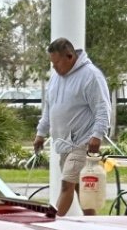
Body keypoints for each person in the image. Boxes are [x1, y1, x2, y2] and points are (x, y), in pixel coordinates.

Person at [32, 38, 111, 216]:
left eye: (57, 62)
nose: (54, 67)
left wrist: (97, 135)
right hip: (64, 144)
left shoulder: (91, 75)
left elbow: (102, 108)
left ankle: (53, 224)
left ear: (69, 56)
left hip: (83, 142)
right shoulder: (56, 78)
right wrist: (40, 133)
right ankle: (93, 225)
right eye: (52, 63)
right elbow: (49, 108)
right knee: (78, 188)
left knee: (67, 184)